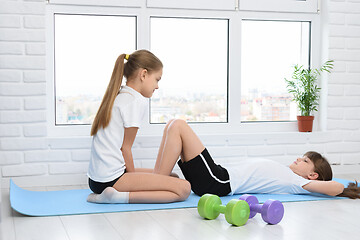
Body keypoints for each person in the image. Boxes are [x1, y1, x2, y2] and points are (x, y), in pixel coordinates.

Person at [154, 119, 360, 199]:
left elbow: (332, 187)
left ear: (313, 175)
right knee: (173, 125)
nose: (299, 158)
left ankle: (156, 182)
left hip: (219, 182)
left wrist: (346, 188)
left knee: (179, 126)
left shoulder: (299, 182)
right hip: (217, 176)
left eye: (305, 161)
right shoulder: (290, 175)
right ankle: (157, 179)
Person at [87, 50, 191, 204]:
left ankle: (112, 194)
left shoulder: (122, 95)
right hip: (111, 179)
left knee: (172, 177)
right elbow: (126, 148)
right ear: (143, 75)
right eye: (157, 79)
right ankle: (115, 197)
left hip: (97, 179)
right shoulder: (134, 101)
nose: (157, 86)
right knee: (184, 188)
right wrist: (134, 181)